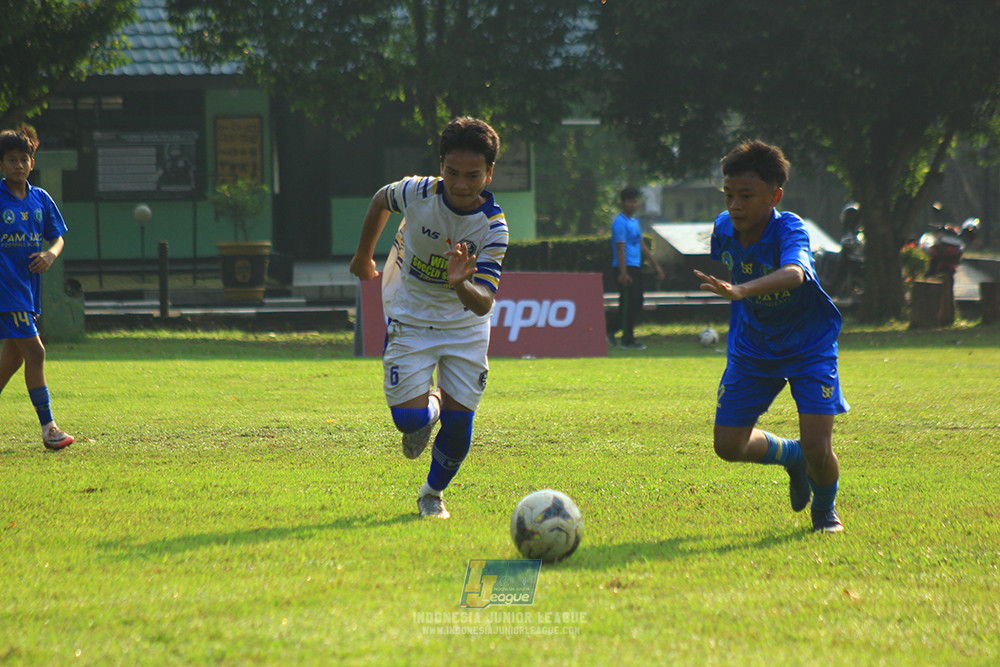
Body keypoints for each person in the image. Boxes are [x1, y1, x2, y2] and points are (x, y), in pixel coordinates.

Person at [350, 117, 507, 520]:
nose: (460, 184)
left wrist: (458, 284)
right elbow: (381, 200)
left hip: (464, 326)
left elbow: (484, 303)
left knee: (459, 426)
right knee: (409, 421)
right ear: (440, 166)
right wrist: (364, 254)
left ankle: (431, 495)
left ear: (489, 173)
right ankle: (432, 402)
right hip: (412, 316)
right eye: (451, 172)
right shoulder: (417, 192)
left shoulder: (493, 227)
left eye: (473, 175)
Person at [693, 140, 849, 533]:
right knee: (727, 446)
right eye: (729, 195)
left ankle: (824, 511)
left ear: (774, 195)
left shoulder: (789, 227)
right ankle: (790, 458)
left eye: (746, 196)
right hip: (753, 346)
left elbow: (796, 274)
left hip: (808, 345)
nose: (735, 205)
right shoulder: (724, 229)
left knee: (819, 447)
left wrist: (742, 290)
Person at [0, 126, 74, 450]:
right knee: (36, 351)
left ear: (33, 162)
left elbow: (58, 237)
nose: (18, 165)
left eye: (24, 159)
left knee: (14, 358)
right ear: (1, 164)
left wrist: (49, 254)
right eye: (11, 159)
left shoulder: (40, 198)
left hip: (29, 290)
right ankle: (50, 429)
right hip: (7, 288)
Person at [606, 187, 664, 349]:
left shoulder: (634, 222)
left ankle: (609, 330)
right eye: (631, 201)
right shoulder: (619, 223)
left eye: (636, 201)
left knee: (637, 302)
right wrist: (623, 273)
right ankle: (626, 339)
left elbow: (641, 245)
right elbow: (620, 248)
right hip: (624, 267)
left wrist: (655, 265)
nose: (634, 205)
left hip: (635, 266)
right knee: (627, 303)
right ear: (623, 203)